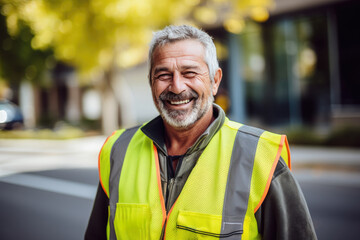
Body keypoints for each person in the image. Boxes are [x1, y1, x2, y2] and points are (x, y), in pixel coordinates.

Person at [85, 25, 317, 240]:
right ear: (151, 83)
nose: (177, 87)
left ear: (215, 81)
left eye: (189, 73)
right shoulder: (119, 151)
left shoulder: (262, 158)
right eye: (163, 75)